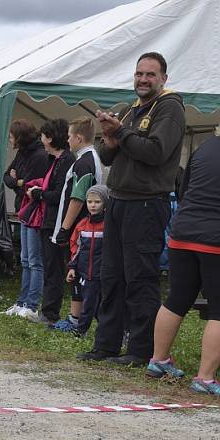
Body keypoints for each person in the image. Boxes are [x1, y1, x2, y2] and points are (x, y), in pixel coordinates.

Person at [77, 52, 185, 366]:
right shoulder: (130, 109)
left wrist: (121, 133)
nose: (142, 80)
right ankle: (107, 345)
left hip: (147, 203)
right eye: (139, 74)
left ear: (163, 78)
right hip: (119, 200)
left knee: (140, 279)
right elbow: (105, 156)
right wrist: (111, 137)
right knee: (111, 277)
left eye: (150, 74)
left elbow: (155, 152)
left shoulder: (170, 107)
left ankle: (140, 351)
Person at [145, 128, 220, 395]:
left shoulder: (204, 149)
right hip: (215, 240)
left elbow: (185, 188)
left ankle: (158, 360)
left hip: (183, 233)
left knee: (176, 299)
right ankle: (206, 378)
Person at [50, 117, 103, 331]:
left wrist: (64, 228)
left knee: (76, 272)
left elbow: (78, 197)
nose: (68, 140)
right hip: (82, 227)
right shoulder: (89, 158)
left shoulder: (84, 162)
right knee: (77, 273)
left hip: (79, 228)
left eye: (70, 136)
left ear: (78, 138)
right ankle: (76, 317)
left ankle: (77, 320)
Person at [1, 119, 50, 317]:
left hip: (35, 211)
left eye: (12, 136)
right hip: (23, 209)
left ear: (20, 137)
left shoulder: (39, 155)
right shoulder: (22, 153)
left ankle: (31, 304)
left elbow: (30, 185)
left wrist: (18, 180)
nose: (10, 139)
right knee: (24, 259)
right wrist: (16, 180)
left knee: (34, 260)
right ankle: (22, 302)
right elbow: (8, 176)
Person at [28, 119, 75, 324]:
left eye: (43, 136)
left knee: (54, 267)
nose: (41, 140)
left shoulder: (65, 161)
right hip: (49, 219)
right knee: (50, 266)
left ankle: (50, 313)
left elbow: (59, 195)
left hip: (57, 221)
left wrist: (39, 194)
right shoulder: (54, 160)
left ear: (50, 137)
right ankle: (48, 310)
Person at [64, 184, 108, 337]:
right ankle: (82, 330)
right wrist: (72, 267)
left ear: (105, 204)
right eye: (90, 202)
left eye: (97, 202)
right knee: (88, 304)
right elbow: (75, 248)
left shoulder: (109, 225)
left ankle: (109, 332)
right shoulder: (82, 225)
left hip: (103, 273)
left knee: (104, 305)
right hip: (86, 274)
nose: (93, 205)